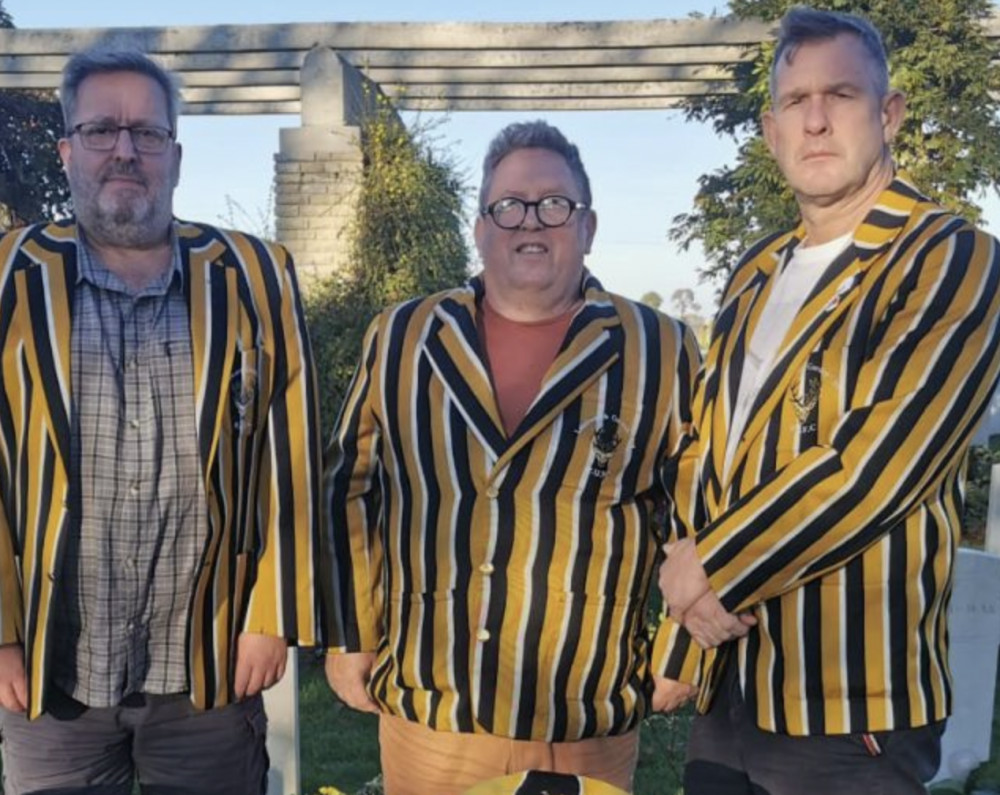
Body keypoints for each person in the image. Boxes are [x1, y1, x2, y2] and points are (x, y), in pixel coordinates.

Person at [657, 7, 1000, 794]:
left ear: (888, 114)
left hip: (852, 705)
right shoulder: (757, 270)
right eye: (794, 101)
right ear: (770, 130)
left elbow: (872, 466)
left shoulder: (949, 257)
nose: (815, 119)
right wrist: (686, 638)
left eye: (840, 95)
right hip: (733, 683)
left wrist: (709, 566)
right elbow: (707, 453)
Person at [323, 120, 701, 795]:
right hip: (435, 708)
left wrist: (683, 646)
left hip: (584, 714)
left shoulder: (660, 348)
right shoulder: (405, 336)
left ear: (587, 226)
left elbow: (700, 507)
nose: (531, 221)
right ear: (479, 226)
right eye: (509, 205)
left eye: (555, 204)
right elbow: (348, 486)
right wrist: (352, 632)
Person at [0, 46, 326, 794]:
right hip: (53, 671)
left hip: (209, 665)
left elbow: (293, 457)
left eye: (147, 132)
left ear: (175, 154)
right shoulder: (11, 280)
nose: (125, 149)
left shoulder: (255, 275)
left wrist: (273, 614)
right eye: (102, 130)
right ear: (66, 149)